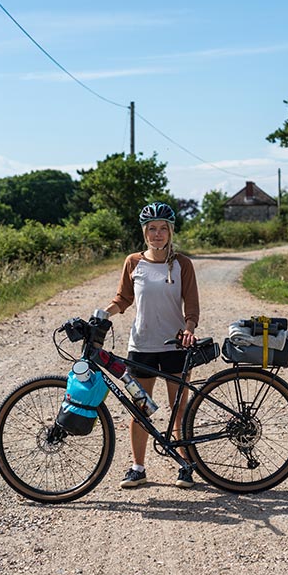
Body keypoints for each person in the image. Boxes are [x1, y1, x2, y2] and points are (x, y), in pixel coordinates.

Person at [102, 202, 200, 489]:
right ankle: (138, 468)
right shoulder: (133, 262)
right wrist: (102, 314)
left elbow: (191, 306)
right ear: (144, 233)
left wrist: (190, 329)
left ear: (171, 232)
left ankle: (185, 465)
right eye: (152, 229)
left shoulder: (183, 264)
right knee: (140, 408)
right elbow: (123, 298)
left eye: (163, 229)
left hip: (175, 345)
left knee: (179, 410)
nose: (157, 234)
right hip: (142, 345)